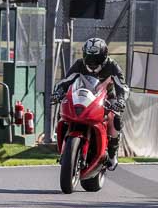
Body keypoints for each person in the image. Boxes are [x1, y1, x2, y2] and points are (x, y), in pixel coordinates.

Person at [53, 38, 129, 170]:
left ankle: (112, 153)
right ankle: (65, 148)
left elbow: (122, 86)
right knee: (64, 113)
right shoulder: (79, 64)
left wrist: (121, 100)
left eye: (97, 58)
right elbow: (65, 81)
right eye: (89, 57)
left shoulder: (112, 66)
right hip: (82, 96)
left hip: (107, 98)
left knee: (114, 118)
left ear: (104, 56)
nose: (93, 62)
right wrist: (58, 93)